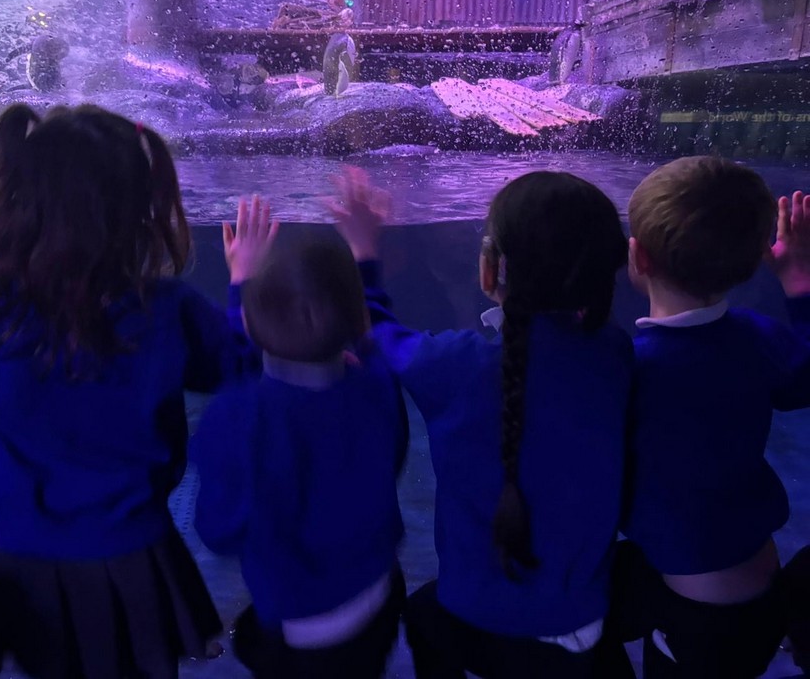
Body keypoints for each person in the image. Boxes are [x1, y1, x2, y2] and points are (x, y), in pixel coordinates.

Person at [0, 104, 276, 679]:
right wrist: (245, 282)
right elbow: (235, 366)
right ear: (137, 209)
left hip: (27, 554)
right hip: (133, 553)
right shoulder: (165, 309)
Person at [332, 167, 634, 678]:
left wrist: (364, 250)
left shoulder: (453, 366)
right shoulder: (615, 353)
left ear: (491, 271)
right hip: (582, 617)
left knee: (423, 613)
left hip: (475, 613)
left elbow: (373, 331)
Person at [612, 157, 810, 678]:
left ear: (638, 256)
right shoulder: (759, 338)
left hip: (697, 618)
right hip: (764, 585)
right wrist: (799, 283)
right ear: (753, 260)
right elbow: (804, 380)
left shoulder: (630, 370)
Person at [191, 235, 409, 679]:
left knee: (252, 642)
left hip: (302, 623)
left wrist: (239, 286)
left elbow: (218, 531)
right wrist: (366, 261)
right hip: (381, 594)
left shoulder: (236, 418)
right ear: (358, 319)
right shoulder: (377, 384)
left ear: (247, 322)